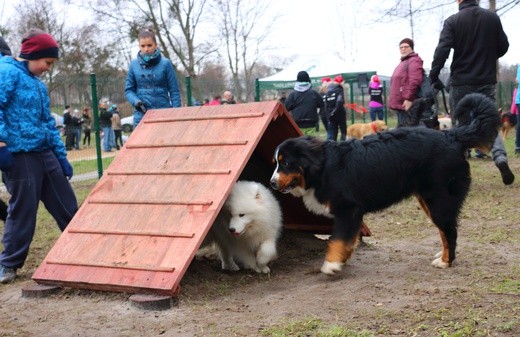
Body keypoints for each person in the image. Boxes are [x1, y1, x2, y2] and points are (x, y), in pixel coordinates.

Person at [0, 28, 78, 283]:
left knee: (67, 205)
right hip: (20, 155)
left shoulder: (39, 86)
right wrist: (1, 145)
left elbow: (47, 124)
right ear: (32, 55)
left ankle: (83, 249)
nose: (48, 68)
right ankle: (9, 263)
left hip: (45, 153)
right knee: (23, 210)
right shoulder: (7, 73)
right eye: (47, 62)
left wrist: (60, 156)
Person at [429, 0, 514, 185]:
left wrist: (434, 75)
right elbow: (504, 46)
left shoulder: (453, 21)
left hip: (461, 82)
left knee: (461, 127)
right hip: (486, 80)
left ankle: (457, 173)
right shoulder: (492, 18)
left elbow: (442, 50)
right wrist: (486, 56)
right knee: (489, 121)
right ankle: (499, 157)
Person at [125, 29, 181, 129]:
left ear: (156, 45)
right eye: (143, 46)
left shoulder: (166, 64)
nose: (146, 49)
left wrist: (176, 113)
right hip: (142, 114)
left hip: (163, 113)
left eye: (149, 45)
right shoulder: (133, 65)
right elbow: (129, 90)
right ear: (139, 46)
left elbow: (174, 91)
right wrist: (136, 101)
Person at [389, 38, 424, 127]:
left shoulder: (414, 60)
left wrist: (409, 99)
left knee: (407, 133)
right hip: (401, 104)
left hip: (407, 104)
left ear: (411, 48)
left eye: (406, 47)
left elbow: (415, 80)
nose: (403, 49)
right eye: (401, 47)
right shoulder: (404, 62)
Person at [283, 70, 324, 136]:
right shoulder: (314, 93)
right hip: (311, 122)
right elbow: (322, 105)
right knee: (312, 144)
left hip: (297, 124)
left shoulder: (293, 94)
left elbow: (285, 108)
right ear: (308, 79)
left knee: (299, 144)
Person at [324, 75, 347, 141]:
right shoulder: (339, 89)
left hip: (330, 113)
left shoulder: (328, 89)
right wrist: (335, 111)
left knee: (333, 132)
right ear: (341, 82)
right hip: (339, 113)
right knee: (343, 131)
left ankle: (333, 147)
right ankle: (343, 146)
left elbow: (326, 103)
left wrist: (328, 114)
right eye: (343, 82)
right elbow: (339, 101)